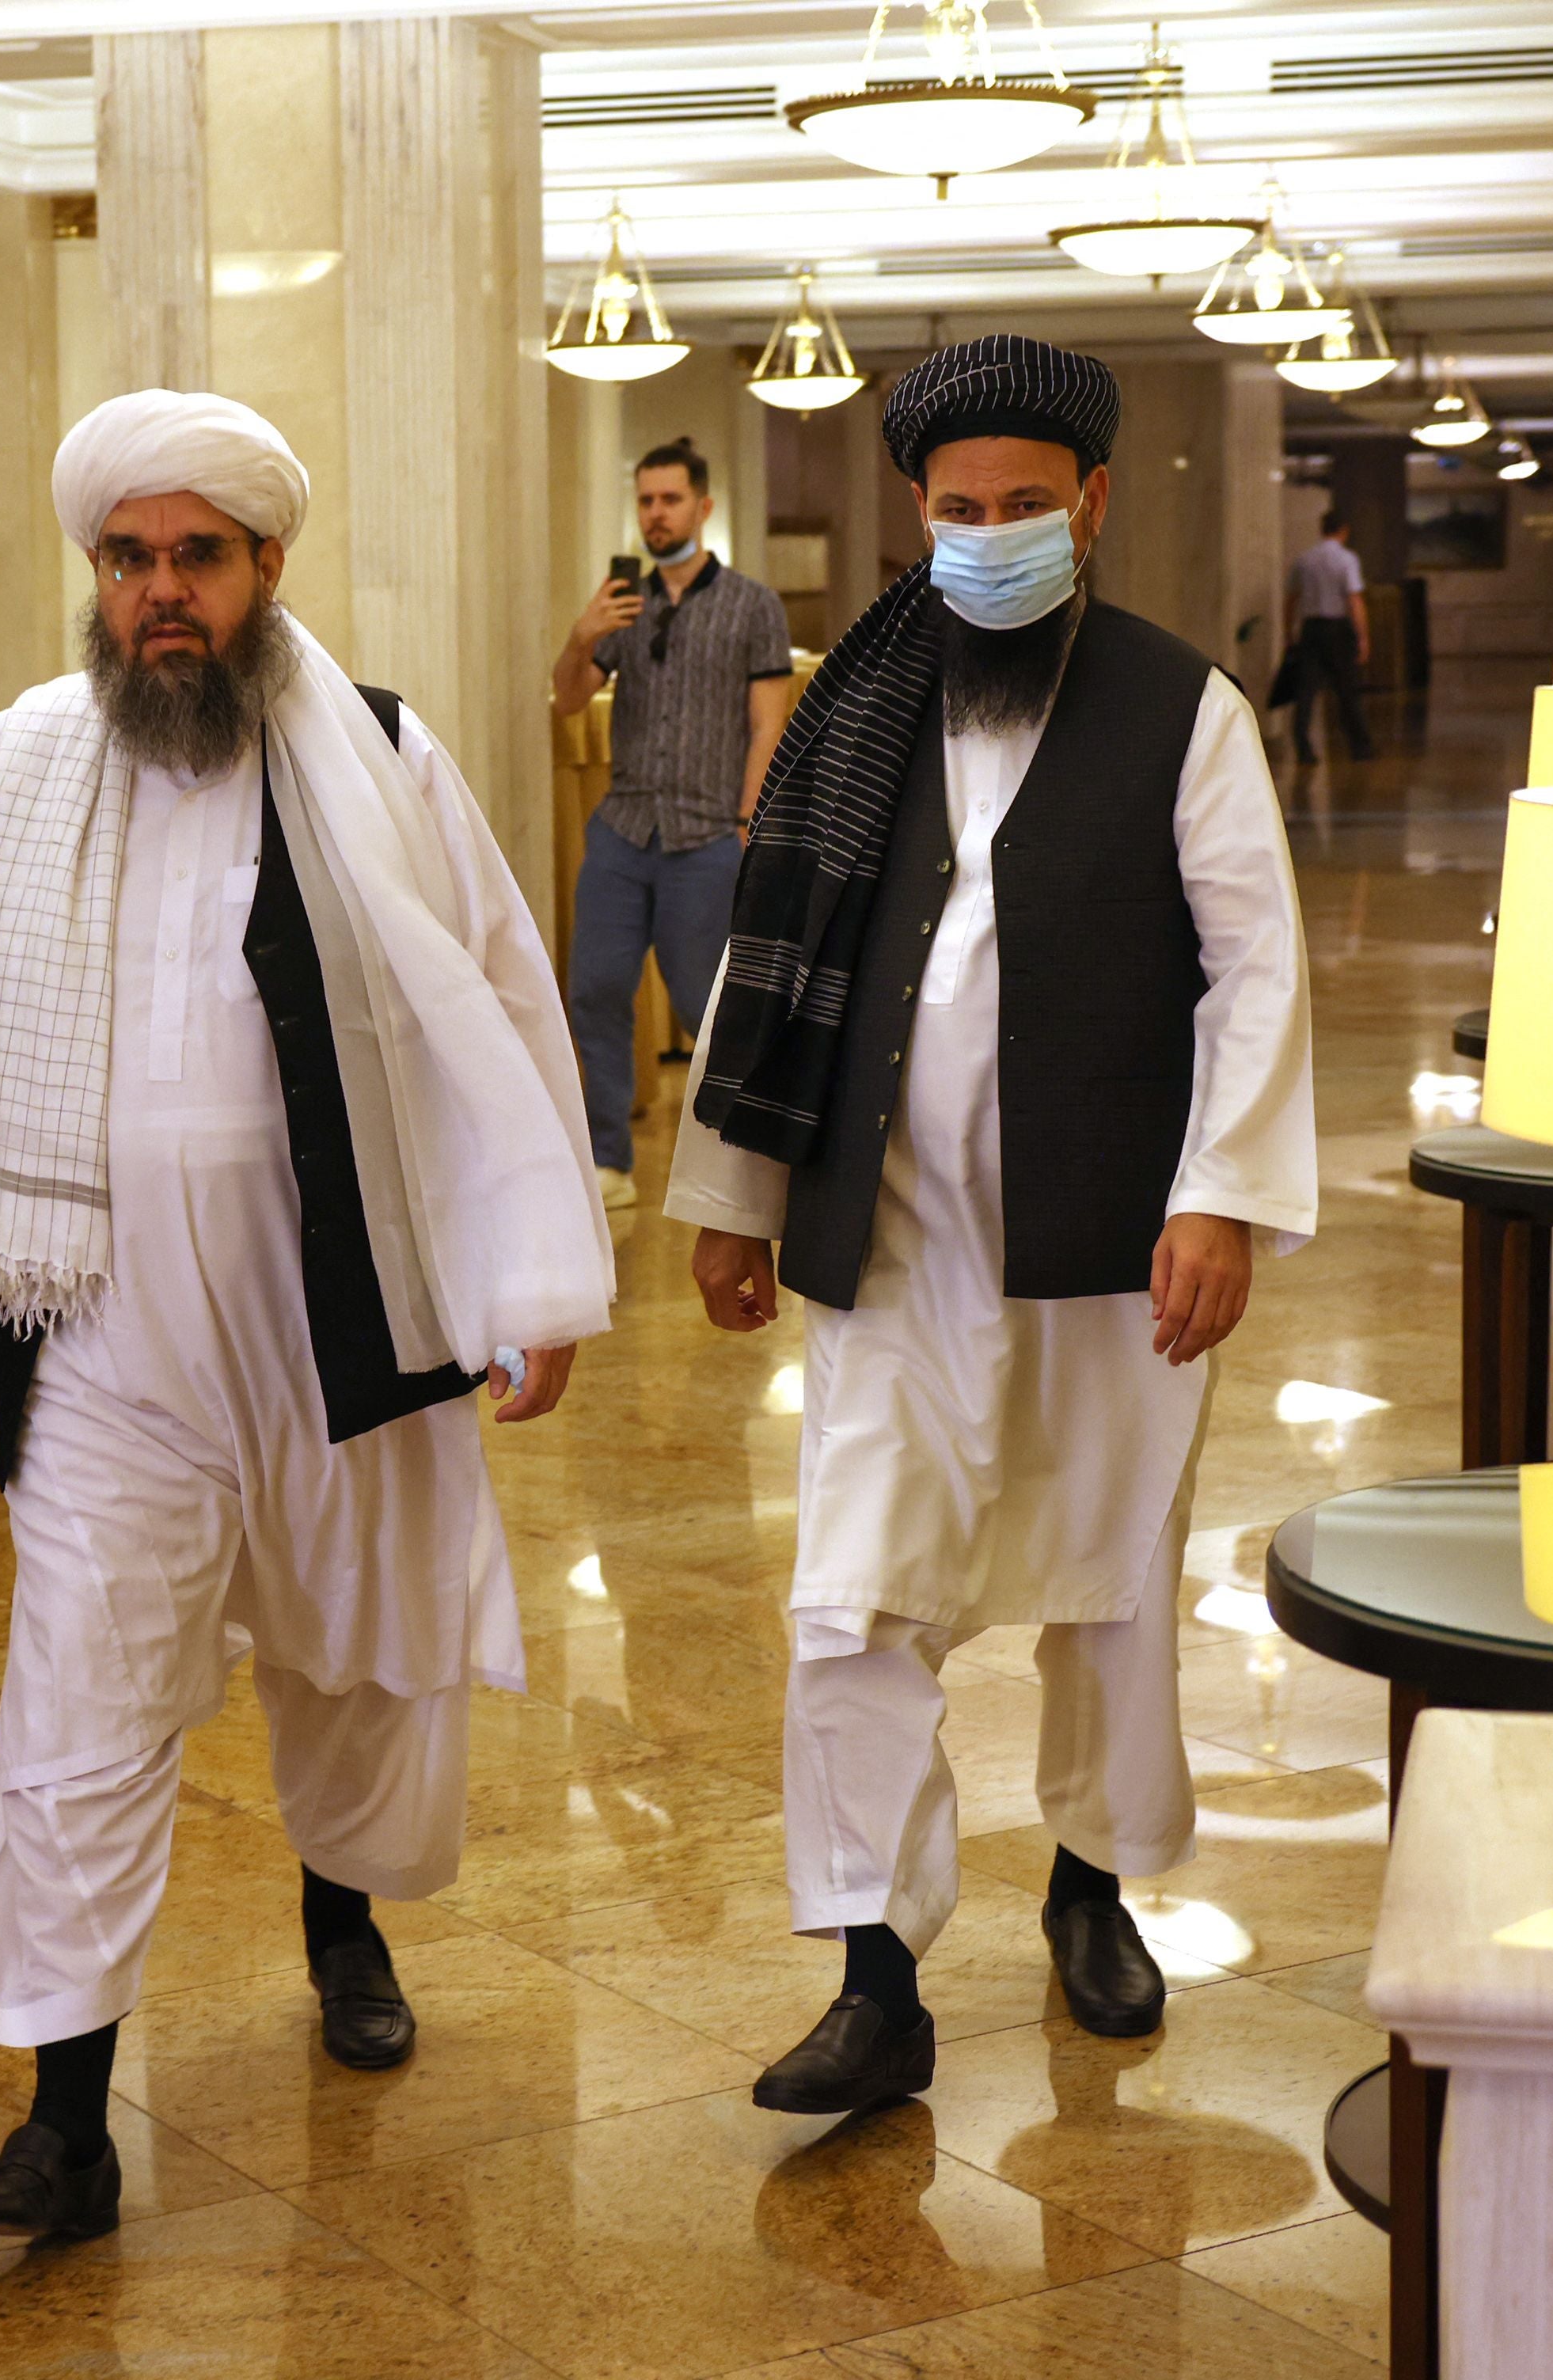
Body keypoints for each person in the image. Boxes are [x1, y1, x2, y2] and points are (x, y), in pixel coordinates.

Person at [0, 391, 615, 2241]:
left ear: (262, 568)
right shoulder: (36, 757)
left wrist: (531, 1264)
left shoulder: (375, 749)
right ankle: (64, 2113)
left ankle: (343, 1915)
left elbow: (495, 996)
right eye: (128, 559)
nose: (160, 594)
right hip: (110, 1336)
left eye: (194, 557)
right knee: (77, 1699)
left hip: (341, 1313)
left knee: (355, 1660)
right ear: (93, 575)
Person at [670, 336, 1316, 2114]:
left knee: (1104, 1589)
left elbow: (1252, 965)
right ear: (914, 515)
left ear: (1089, 507)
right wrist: (731, 1197)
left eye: (1022, 509)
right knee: (848, 1604)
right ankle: (874, 1975)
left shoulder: (1177, 707)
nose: (986, 539)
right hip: (885, 1244)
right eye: (956, 512)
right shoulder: (851, 712)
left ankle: (1090, 1892)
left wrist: (1219, 1198)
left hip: (1108, 1240)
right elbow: (764, 956)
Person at [551, 435, 799, 1212]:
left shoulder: (751, 604)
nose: (655, 514)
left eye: (669, 499)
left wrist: (746, 820)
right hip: (622, 831)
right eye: (645, 502)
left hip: (704, 837)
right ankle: (607, 1160)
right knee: (593, 991)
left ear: (702, 506)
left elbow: (768, 724)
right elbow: (563, 699)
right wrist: (582, 635)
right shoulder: (623, 602)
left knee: (706, 1005)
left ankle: (744, 1158)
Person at [1282, 509, 1375, 764]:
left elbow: (1291, 600)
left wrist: (1288, 632)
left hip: (1311, 630)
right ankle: (1360, 747)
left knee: (1306, 691)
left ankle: (1304, 749)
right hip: (1338, 629)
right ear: (1344, 530)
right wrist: (1363, 637)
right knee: (1347, 690)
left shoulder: (1304, 559)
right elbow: (1354, 599)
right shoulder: (1347, 559)